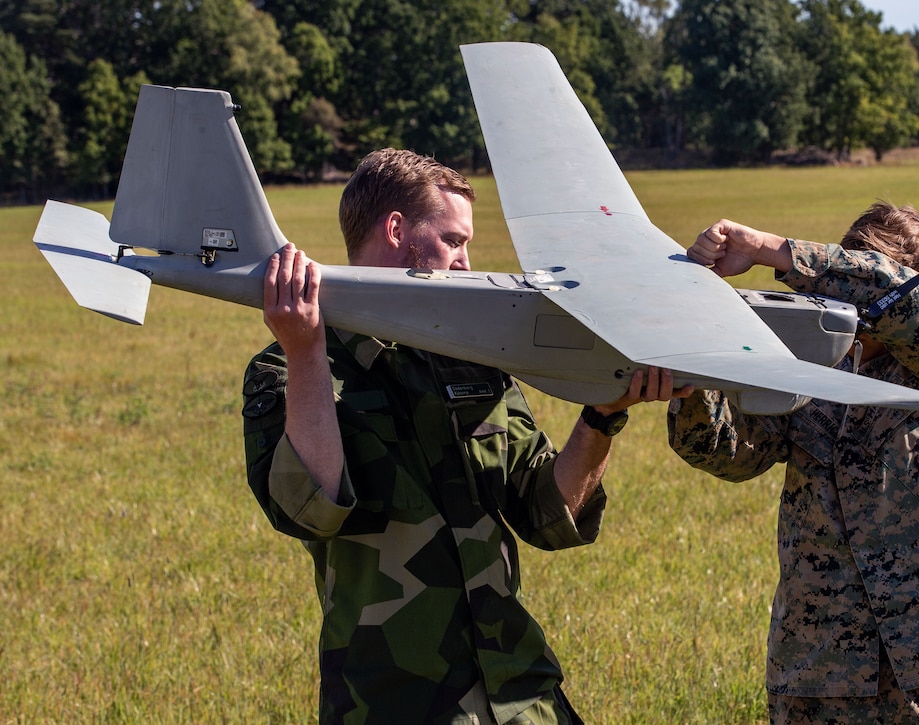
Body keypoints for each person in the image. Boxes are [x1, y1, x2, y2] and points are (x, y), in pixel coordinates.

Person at [242, 148, 691, 724]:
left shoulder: (468, 357)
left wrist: (602, 414)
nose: (465, 261)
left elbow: (542, 511)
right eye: (454, 240)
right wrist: (306, 352)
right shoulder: (286, 368)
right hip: (398, 703)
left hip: (520, 692)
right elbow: (309, 510)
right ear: (397, 230)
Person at [667, 202, 919, 724]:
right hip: (816, 668)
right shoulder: (807, 363)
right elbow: (729, 453)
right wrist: (693, 378)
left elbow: (894, 294)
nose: (846, 284)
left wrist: (766, 250)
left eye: (861, 270)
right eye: (847, 264)